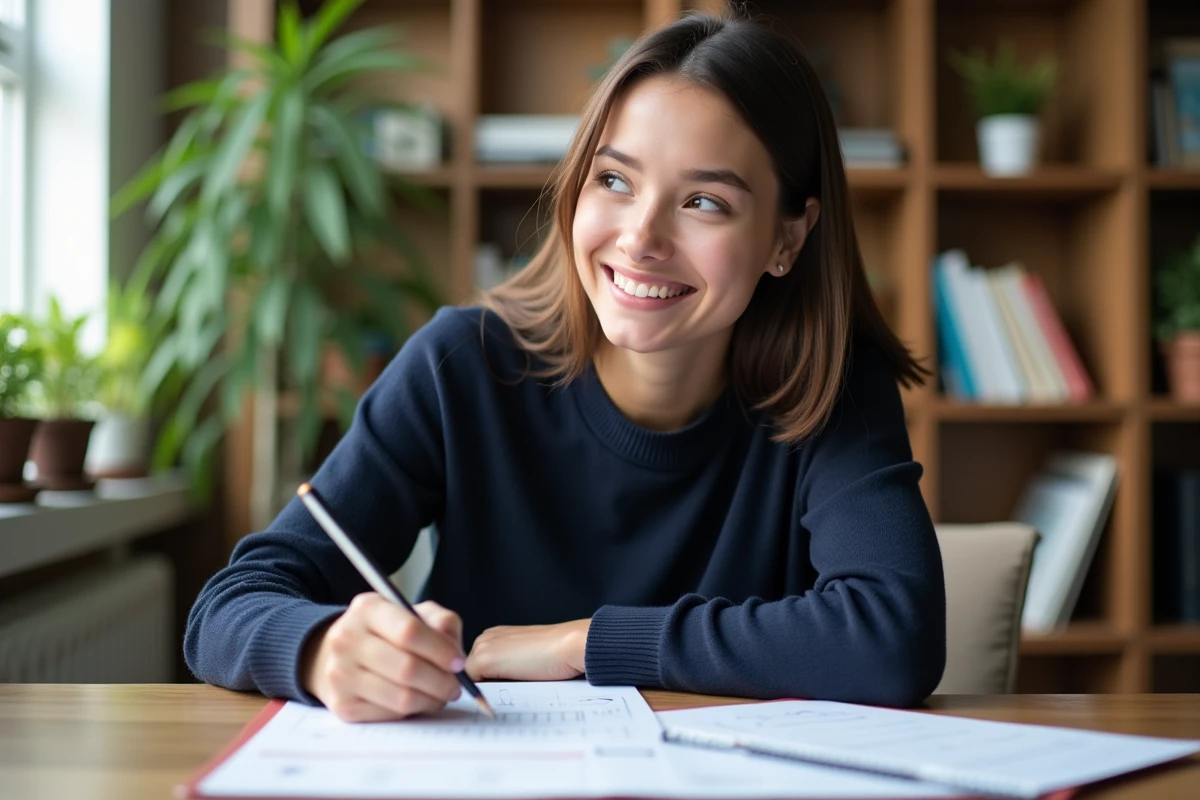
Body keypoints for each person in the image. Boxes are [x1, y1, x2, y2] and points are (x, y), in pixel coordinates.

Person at [185, 11, 946, 722]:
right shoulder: (464, 366)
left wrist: (584, 644)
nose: (641, 237)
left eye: (706, 202)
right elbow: (229, 606)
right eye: (614, 181)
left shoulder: (830, 389)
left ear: (789, 237)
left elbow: (894, 636)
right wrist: (322, 652)